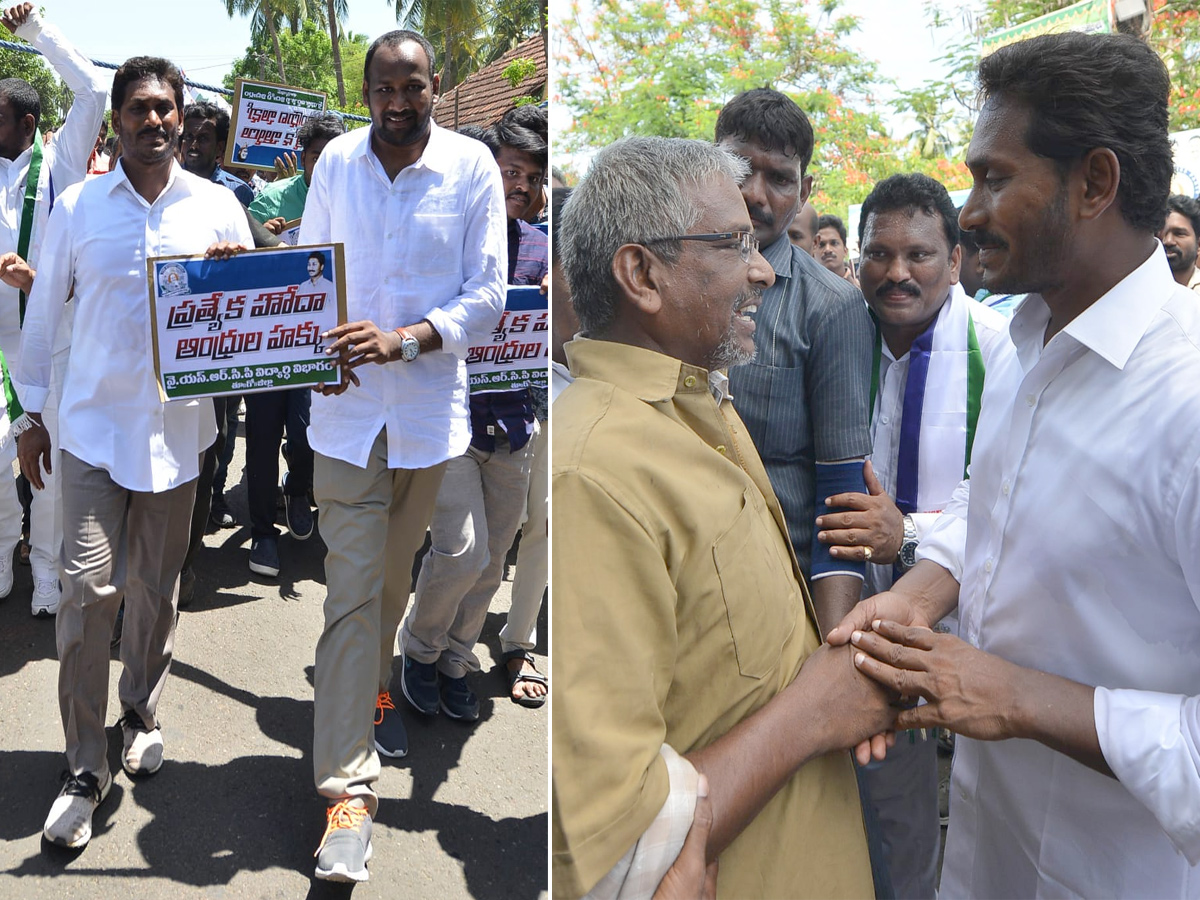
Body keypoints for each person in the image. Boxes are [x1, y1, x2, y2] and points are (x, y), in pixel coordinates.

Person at [830, 32, 1200, 898]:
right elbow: (988, 514)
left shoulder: (1187, 404)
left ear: (1095, 184)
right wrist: (911, 603)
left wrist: (1018, 698)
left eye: (994, 177)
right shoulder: (1026, 345)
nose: (966, 212)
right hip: (990, 855)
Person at [553, 135, 897, 899]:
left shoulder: (701, 403)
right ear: (641, 273)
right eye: (734, 242)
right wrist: (817, 710)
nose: (764, 268)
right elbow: (617, 850)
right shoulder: (593, 475)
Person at [14, 55, 251, 850]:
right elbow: (43, 317)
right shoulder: (80, 207)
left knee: (155, 592)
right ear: (117, 119)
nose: (154, 120)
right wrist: (30, 419)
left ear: (183, 119)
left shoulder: (219, 208)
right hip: (88, 434)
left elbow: (253, 321)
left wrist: (233, 280)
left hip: (178, 441)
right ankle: (84, 767)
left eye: (167, 108)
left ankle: (141, 710)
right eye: (139, 108)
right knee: (86, 598)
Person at [298, 29, 506, 882]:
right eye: (382, 87)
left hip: (424, 423)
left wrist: (410, 340)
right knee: (351, 594)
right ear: (368, 91)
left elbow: (488, 296)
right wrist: (267, 287)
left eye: (411, 86)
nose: (396, 101)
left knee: (387, 587)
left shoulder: (472, 169)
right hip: (344, 421)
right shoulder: (337, 163)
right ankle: (347, 792)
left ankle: (370, 687)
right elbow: (305, 273)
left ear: (435, 86)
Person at [815, 172, 1014, 899]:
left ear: (956, 260)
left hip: (964, 606)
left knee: (959, 808)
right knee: (870, 787)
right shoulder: (835, 336)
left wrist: (907, 534)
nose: (897, 273)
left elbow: (1004, 499)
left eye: (920, 254)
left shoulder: (1002, 351)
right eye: (880, 253)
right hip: (849, 593)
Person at [399, 118, 546, 721]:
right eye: (510, 171)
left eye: (532, 178)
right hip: (451, 420)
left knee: (493, 559)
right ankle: (418, 648)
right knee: (461, 551)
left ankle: (457, 657)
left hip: (514, 428)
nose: (520, 186)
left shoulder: (541, 248)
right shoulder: (445, 241)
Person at [714, 87, 874, 634]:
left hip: (784, 599)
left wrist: (835, 655)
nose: (756, 194)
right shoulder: (671, 281)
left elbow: (843, 493)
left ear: (803, 190)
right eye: (739, 168)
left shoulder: (833, 307)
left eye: (779, 179)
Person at [0, 2, 107, 617]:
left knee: (49, 473)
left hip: (52, 347)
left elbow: (93, 87)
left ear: (27, 121)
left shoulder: (61, 166)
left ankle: (45, 570)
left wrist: (35, 32)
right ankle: (2, 555)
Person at [249, 111, 344, 235]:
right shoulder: (271, 199)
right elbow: (241, 243)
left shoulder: (355, 200)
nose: (323, 167)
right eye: (316, 159)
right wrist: (262, 236)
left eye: (332, 160)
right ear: (303, 159)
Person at [180, 100, 254, 206]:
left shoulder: (239, 192)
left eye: (203, 138)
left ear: (220, 147)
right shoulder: (164, 183)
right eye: (188, 137)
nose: (194, 146)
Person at [1161, 193, 1200, 291]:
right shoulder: (1141, 290)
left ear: (1198, 244)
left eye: (1179, 233)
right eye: (1162, 233)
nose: (1168, 241)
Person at [816, 213, 858, 286]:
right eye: (821, 245)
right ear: (813, 253)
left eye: (834, 243)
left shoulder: (862, 289)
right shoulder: (806, 290)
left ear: (845, 250)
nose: (828, 249)